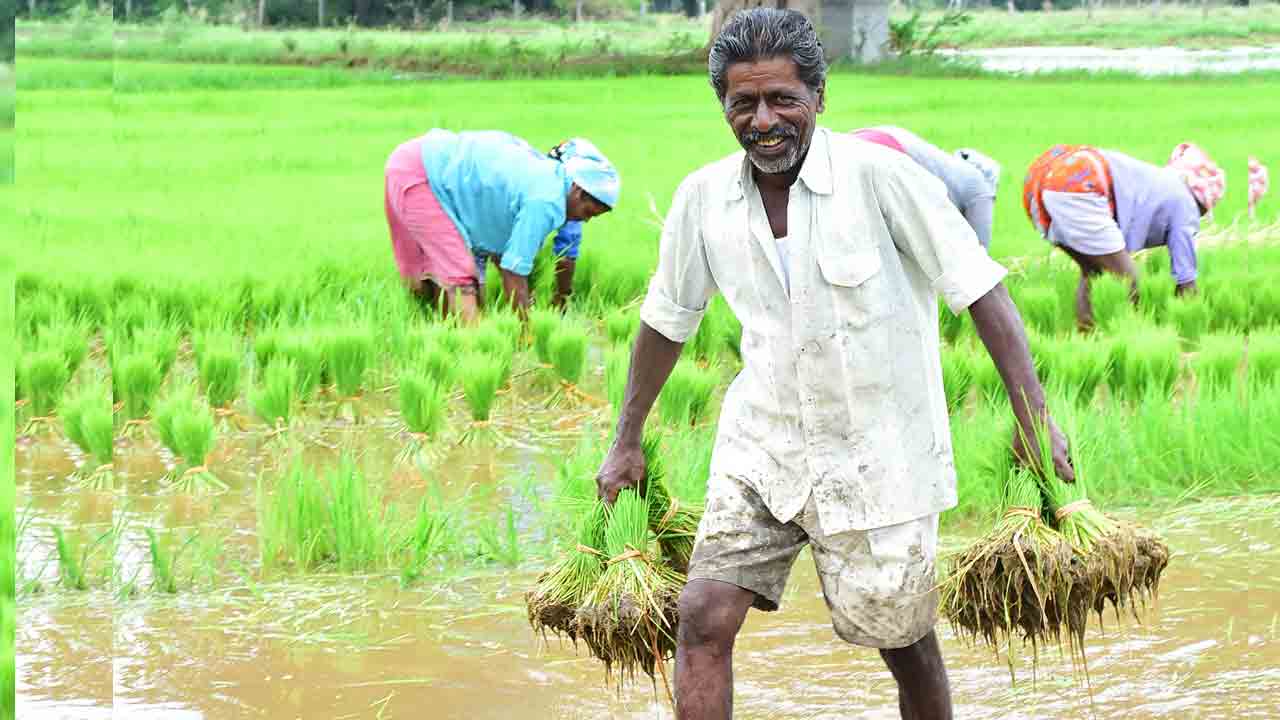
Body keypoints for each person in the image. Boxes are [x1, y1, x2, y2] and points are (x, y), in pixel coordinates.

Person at [594, 9, 1074, 720]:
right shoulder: (704, 200)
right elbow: (667, 319)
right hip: (763, 445)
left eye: (783, 99)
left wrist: (1034, 417)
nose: (763, 121)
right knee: (701, 616)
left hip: (879, 449)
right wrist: (626, 437)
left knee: (903, 639)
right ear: (723, 107)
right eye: (743, 104)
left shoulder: (882, 179)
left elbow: (979, 288)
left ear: (819, 98)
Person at [383, 130, 620, 322]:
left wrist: (523, 301)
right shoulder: (547, 201)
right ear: (578, 190)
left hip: (413, 160)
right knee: (458, 278)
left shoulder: (547, 175)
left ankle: (443, 341)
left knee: (424, 278)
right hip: (422, 175)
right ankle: (475, 355)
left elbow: (503, 255)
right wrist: (526, 334)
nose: (585, 220)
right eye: (588, 212)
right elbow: (513, 271)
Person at [1022, 141, 1225, 330]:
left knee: (1095, 273)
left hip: (1042, 178)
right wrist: (1191, 319)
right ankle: (1133, 336)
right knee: (1129, 281)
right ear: (1204, 204)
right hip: (1079, 181)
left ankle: (1087, 336)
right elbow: (1186, 279)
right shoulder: (1186, 204)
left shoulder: (1157, 182)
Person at [849, 125, 1001, 250]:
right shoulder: (981, 190)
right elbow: (978, 258)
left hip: (866, 139)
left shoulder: (945, 169)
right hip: (888, 150)